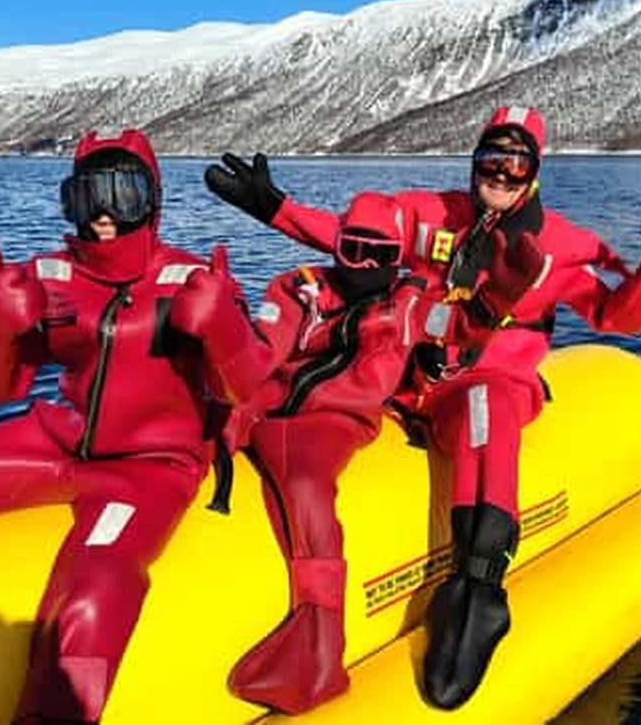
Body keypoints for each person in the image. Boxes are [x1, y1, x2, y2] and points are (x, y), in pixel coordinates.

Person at [204, 105, 641, 709]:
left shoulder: (563, 247)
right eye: (491, 160)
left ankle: (479, 591)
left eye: (516, 164)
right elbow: (353, 240)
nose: (500, 176)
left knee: (486, 409)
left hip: (483, 384)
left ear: (535, 172)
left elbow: (616, 316)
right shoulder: (432, 215)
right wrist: (273, 208)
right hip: (408, 383)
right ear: (474, 160)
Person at [0, 129, 272, 725]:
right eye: (90, 195)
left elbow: (248, 389)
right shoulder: (53, 279)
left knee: (94, 592)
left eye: (126, 192)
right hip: (53, 442)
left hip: (146, 472)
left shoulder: (194, 281)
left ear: (154, 199)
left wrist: (224, 328)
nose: (108, 214)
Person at [219, 189, 544, 714]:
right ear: (337, 247)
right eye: (353, 250)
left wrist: (496, 299)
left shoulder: (410, 308)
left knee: (305, 486)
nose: (365, 265)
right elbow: (266, 345)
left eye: (380, 255)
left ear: (398, 260)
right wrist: (226, 380)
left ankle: (318, 636)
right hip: (267, 404)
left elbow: (457, 327)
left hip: (332, 420)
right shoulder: (300, 289)